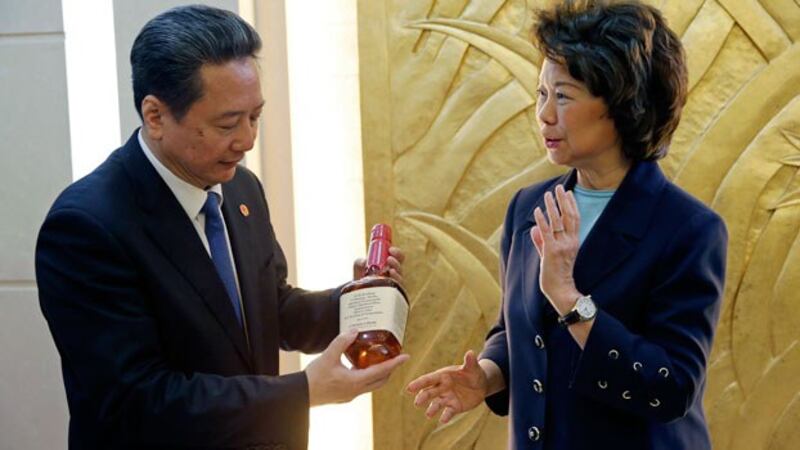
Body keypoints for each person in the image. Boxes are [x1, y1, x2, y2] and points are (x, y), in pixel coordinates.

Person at [35, 5, 407, 449]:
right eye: (228, 123)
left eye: (255, 117)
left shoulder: (239, 188)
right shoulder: (86, 227)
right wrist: (304, 392)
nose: (247, 140)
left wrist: (356, 303)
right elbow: (137, 400)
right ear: (155, 116)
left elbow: (269, 309)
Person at [406, 1, 727, 449]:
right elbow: (518, 330)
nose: (544, 114)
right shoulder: (528, 208)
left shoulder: (689, 229)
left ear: (621, 104)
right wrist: (487, 375)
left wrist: (571, 301)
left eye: (563, 96)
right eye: (541, 93)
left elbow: (672, 387)